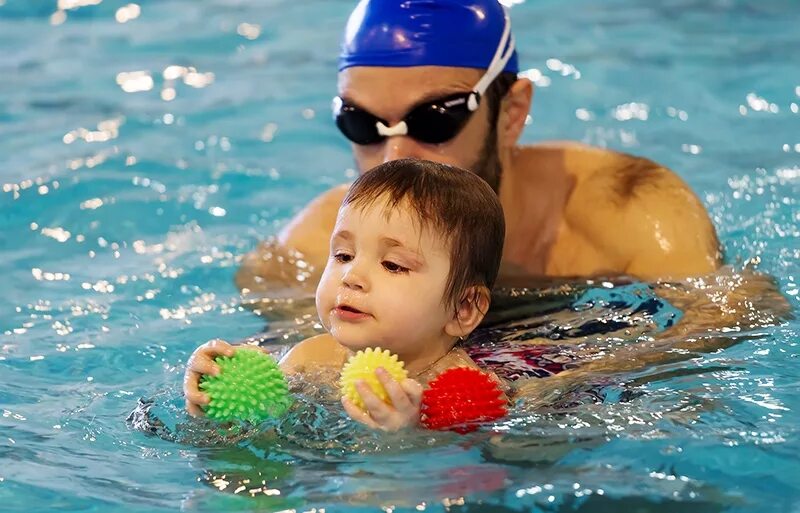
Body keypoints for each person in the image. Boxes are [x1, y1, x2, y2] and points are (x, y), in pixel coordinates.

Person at [235, 0, 722, 304]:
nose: (394, 159)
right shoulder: (312, 250)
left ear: (511, 113)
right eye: (362, 125)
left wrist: (546, 381)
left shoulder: (632, 215)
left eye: (435, 119)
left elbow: (728, 326)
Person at [185, 159, 506, 431]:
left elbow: (466, 478)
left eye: (393, 265)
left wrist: (409, 439)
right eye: (343, 256)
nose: (352, 277)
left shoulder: (461, 395)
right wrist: (211, 396)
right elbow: (263, 434)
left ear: (463, 309)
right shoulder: (309, 359)